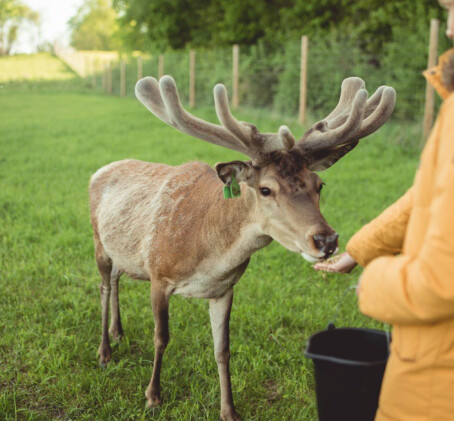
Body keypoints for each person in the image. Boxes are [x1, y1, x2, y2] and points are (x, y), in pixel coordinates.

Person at [314, 1, 454, 420]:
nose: (448, 29)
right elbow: (426, 199)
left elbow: (440, 282)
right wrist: (361, 250)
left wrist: (373, 284)